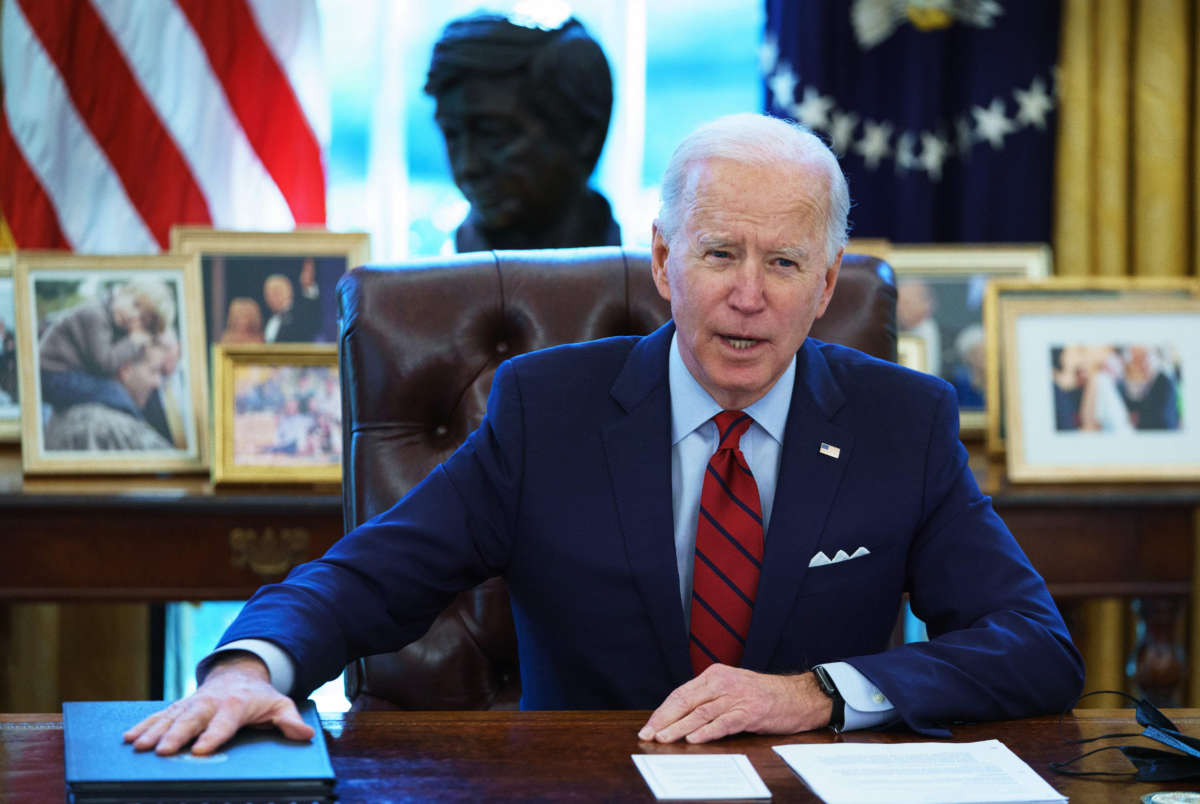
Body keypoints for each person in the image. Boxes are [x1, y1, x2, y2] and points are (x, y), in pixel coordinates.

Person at [126, 113, 1082, 757]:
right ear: (666, 260)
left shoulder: (899, 422)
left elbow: (1034, 645)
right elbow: (368, 576)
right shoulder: (548, 410)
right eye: (718, 253)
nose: (749, 295)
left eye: (784, 262)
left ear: (827, 286)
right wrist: (252, 668)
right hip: (587, 781)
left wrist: (822, 693)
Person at [426, 12, 620, 252]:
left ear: (584, 135)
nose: (467, 167)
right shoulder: (423, 284)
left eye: (493, 134)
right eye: (452, 135)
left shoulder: (660, 282)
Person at [263, 260, 322, 344]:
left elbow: (313, 316)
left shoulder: (301, 315)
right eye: (268, 293)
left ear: (290, 292)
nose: (272, 297)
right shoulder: (264, 319)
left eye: (276, 291)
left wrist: (309, 286)